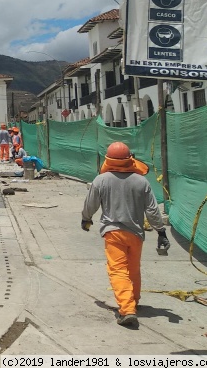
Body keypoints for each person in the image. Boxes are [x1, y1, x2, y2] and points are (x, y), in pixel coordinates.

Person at [81, 141, 170, 328]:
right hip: (136, 233)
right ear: (130, 159)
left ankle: (127, 309)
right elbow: (153, 211)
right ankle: (133, 300)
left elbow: (91, 204)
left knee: (118, 270)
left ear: (108, 159)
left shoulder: (101, 180)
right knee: (133, 268)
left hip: (113, 233)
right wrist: (161, 231)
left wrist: (86, 218)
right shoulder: (141, 181)